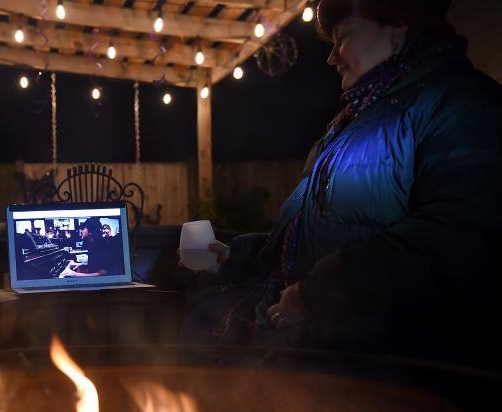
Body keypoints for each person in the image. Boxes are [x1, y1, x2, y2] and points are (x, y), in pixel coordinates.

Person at [181, 0, 502, 369]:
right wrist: (234, 257)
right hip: (307, 330)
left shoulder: (461, 105)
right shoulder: (348, 124)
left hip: (385, 361)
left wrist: (318, 296)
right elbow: (307, 237)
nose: (331, 58)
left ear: (398, 27)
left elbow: (461, 238)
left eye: (343, 38)